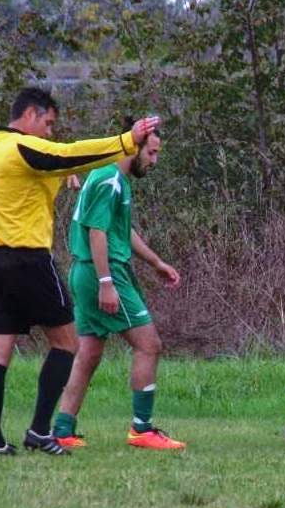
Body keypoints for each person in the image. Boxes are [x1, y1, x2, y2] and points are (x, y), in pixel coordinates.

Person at [0, 86, 160, 456]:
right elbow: (67, 154)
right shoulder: (23, 146)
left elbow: (26, 178)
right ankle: (40, 431)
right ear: (30, 114)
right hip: (27, 260)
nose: (49, 132)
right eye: (47, 123)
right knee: (67, 343)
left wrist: (58, 176)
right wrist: (126, 141)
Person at [49, 127, 185, 450]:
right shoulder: (109, 178)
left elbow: (120, 230)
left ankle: (63, 429)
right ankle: (142, 429)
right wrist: (106, 283)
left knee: (89, 353)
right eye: (151, 152)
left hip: (87, 272)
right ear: (133, 147)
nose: (154, 160)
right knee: (149, 345)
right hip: (103, 272)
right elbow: (97, 232)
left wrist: (155, 262)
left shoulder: (113, 178)